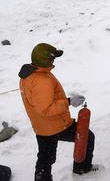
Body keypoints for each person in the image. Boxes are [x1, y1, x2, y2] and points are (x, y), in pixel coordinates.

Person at [19, 43, 100, 180]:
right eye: (52, 58)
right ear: (46, 60)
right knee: (87, 137)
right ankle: (82, 168)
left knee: (45, 158)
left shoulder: (29, 75)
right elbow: (45, 109)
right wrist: (68, 102)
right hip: (56, 125)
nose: (54, 61)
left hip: (42, 127)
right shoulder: (41, 80)